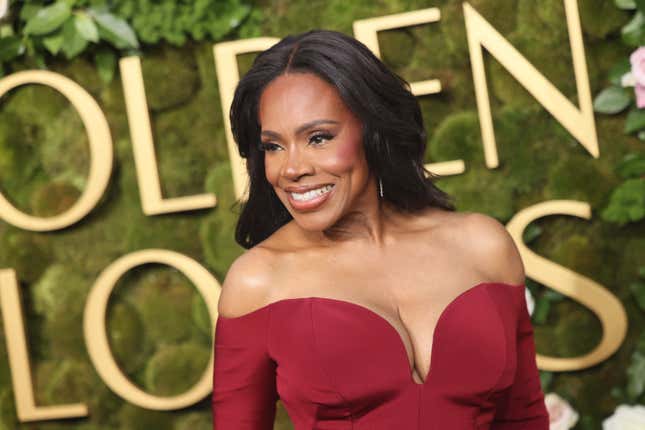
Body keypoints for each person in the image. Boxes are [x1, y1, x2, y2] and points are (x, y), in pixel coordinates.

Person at [212, 29, 549, 429]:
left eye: (318, 138)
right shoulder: (259, 281)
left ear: (373, 131)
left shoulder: (482, 246)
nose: (292, 168)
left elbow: (524, 418)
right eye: (273, 146)